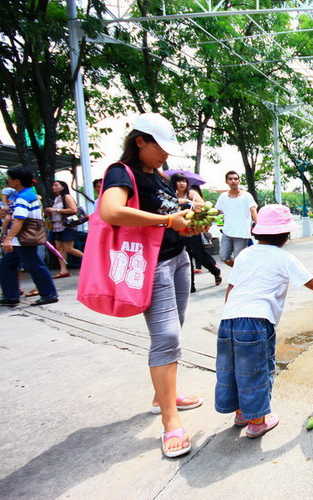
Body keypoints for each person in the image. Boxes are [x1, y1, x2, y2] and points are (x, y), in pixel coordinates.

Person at [98, 113, 203, 458]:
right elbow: (111, 211)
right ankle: (170, 421)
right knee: (167, 337)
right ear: (139, 141)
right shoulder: (119, 173)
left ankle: (164, 396)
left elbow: (168, 224)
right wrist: (166, 220)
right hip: (151, 265)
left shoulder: (161, 177)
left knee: (176, 329)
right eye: (159, 146)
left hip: (177, 260)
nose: (165, 155)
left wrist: (185, 226)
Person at [215, 204, 313, 437]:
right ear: (286, 236)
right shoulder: (284, 257)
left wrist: (231, 314)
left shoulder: (244, 254)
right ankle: (257, 421)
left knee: (233, 367)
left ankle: (240, 412)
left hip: (229, 319)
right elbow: (309, 281)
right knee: (257, 369)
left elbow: (231, 287)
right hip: (256, 321)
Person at [0, 167, 59, 306]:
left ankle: (48, 294)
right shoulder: (28, 194)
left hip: (23, 238)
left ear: (17, 181)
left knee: (34, 265)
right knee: (8, 265)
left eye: (10, 178)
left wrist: (8, 238)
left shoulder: (23, 197)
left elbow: (19, 219)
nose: (8, 181)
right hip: (22, 238)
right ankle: (11, 295)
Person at [171, 173, 222, 292]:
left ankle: (215, 271)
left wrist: (187, 202)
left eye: (184, 181)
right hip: (177, 230)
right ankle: (191, 286)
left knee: (199, 254)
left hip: (193, 228)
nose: (182, 183)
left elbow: (203, 205)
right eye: (179, 181)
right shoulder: (170, 194)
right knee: (186, 256)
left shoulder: (191, 193)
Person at [215, 171, 258, 267]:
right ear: (226, 181)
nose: (233, 181)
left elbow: (253, 211)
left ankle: (240, 276)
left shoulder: (247, 196)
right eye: (230, 179)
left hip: (242, 234)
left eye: (235, 179)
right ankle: (243, 271)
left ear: (239, 181)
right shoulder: (223, 196)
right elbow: (216, 211)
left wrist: (258, 225)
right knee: (223, 257)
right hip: (227, 232)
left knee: (239, 259)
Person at [44, 180, 84, 278]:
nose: (54, 187)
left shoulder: (67, 196)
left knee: (68, 248)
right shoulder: (57, 198)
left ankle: (90, 259)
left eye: (56, 185)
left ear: (63, 187)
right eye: (53, 185)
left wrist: (56, 210)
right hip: (56, 226)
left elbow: (73, 210)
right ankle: (63, 270)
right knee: (59, 248)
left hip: (67, 226)